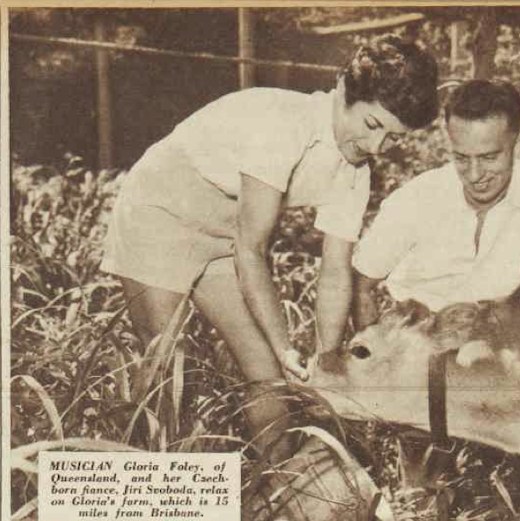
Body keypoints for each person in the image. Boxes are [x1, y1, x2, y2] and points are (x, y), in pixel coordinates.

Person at [101, 36, 439, 454]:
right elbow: (251, 249)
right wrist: (285, 344)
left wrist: (328, 360)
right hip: (161, 212)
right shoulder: (284, 123)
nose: (375, 147)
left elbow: (334, 271)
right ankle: (142, 488)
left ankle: (275, 490)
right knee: (166, 368)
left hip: (223, 234)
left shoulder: (354, 171)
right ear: (343, 91)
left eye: (392, 138)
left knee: (267, 377)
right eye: (372, 126)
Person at [352, 79, 520, 328]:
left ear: (517, 142)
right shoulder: (417, 198)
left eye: (489, 157)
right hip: (418, 337)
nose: (475, 175)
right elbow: (360, 284)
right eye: (462, 158)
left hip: (497, 343)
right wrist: (376, 350)